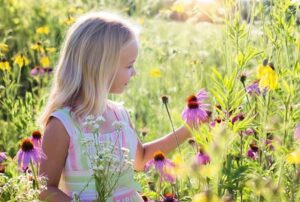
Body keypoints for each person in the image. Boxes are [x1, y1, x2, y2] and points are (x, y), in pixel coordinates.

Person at [38, 11, 193, 202]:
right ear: (101, 68)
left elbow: (141, 159)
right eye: (129, 66)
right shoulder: (63, 124)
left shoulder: (119, 115)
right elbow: (45, 188)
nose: (134, 72)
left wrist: (188, 129)